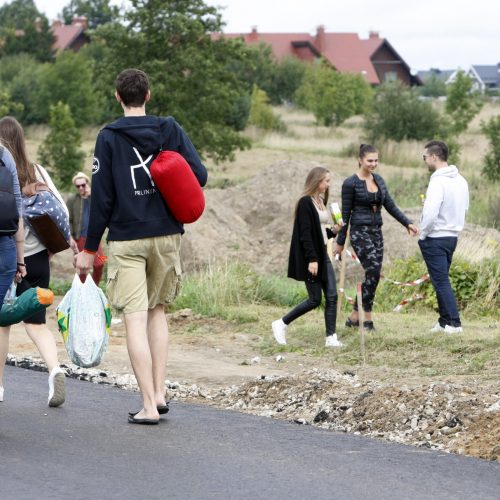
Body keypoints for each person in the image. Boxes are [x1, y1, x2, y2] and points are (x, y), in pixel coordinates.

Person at [75, 68, 207, 425]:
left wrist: (88, 249)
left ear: (118, 97)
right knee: (157, 311)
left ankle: (148, 405)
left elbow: (101, 199)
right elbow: (201, 176)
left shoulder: (109, 137)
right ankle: (161, 393)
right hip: (166, 235)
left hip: (127, 238)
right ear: (148, 95)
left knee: (134, 318)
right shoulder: (169, 129)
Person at [0, 116, 66, 407]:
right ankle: (55, 370)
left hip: (12, 256)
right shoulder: (36, 170)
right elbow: (61, 207)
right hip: (40, 257)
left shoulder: (5, 168)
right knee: (36, 323)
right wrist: (52, 246)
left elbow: (14, 220)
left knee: (3, 325)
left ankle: (0, 387)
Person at [334, 144, 419, 330]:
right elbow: (345, 215)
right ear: (360, 160)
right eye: (369, 160)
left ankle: (354, 317)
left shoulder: (379, 180)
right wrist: (340, 242)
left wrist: (407, 223)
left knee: (373, 275)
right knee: (371, 270)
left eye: (376, 160)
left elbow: (390, 205)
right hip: (359, 231)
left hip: (376, 232)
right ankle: (367, 319)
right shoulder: (350, 183)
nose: (373, 164)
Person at [272, 167, 343, 348]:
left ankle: (331, 337)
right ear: (317, 181)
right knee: (315, 299)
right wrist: (312, 259)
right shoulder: (305, 202)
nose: (328, 184)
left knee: (332, 295)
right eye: (326, 181)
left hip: (323, 254)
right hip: (312, 257)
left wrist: (334, 231)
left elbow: (320, 233)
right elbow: (305, 234)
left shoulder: (319, 201)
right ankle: (281, 323)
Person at [419, 140, 469, 334]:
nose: (424, 161)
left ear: (433, 156)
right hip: (452, 237)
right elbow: (465, 208)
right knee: (441, 279)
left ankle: (455, 324)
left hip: (436, 237)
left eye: (424, 157)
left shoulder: (437, 180)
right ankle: (443, 320)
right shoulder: (461, 180)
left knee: (440, 281)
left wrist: (424, 232)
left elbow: (431, 212)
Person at [67, 171, 105, 285]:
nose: (81, 188)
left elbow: (102, 208)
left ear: (87, 184)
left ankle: (95, 286)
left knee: (100, 262)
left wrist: (91, 195)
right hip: (80, 237)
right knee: (82, 267)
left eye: (83, 185)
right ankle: (82, 291)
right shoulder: (73, 200)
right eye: (78, 186)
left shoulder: (94, 197)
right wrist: (70, 237)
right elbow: (68, 220)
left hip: (94, 237)